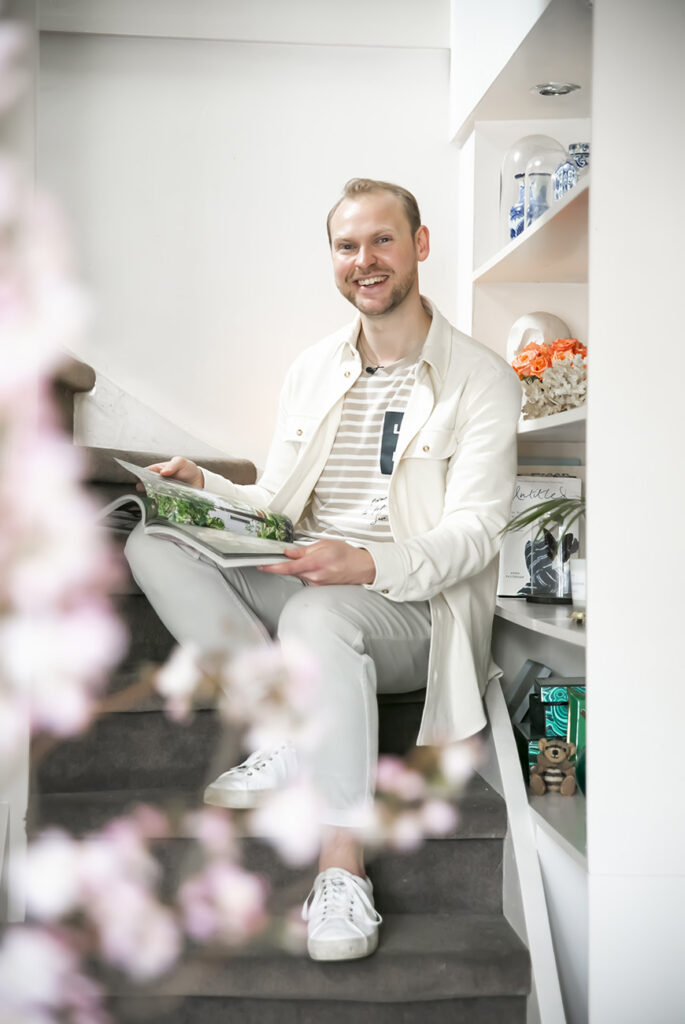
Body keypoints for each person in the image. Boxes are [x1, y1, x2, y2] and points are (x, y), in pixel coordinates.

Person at [125, 177, 522, 963]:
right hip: (310, 571)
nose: (363, 261)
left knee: (320, 613)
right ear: (332, 259)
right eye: (347, 246)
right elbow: (277, 500)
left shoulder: (481, 380)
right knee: (152, 543)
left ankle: (341, 864)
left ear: (419, 245)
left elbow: (475, 533)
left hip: (411, 606)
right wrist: (206, 491)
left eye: (381, 240)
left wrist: (367, 560)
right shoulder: (312, 368)